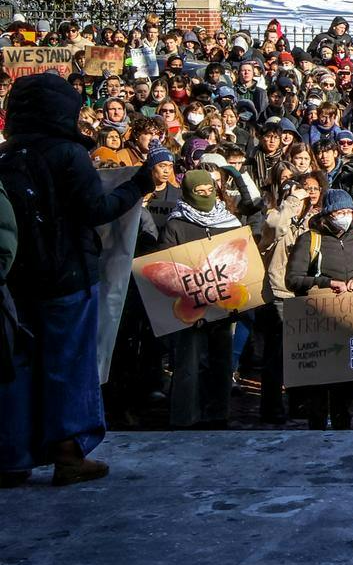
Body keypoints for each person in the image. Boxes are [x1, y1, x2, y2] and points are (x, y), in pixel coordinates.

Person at [0, 73, 152, 485]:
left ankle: (12, 457)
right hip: (66, 276)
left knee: (17, 366)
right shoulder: (69, 154)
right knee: (68, 363)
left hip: (16, 280)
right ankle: (69, 454)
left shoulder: (7, 154)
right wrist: (140, 183)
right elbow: (96, 209)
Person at [158, 168, 243, 430]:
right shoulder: (176, 224)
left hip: (222, 305)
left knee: (221, 362)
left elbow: (240, 261)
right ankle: (186, 417)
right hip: (189, 306)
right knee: (188, 363)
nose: (206, 196)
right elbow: (166, 266)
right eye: (199, 192)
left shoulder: (229, 221)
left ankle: (218, 413)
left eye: (210, 191)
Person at [284, 189, 353, 430]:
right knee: (319, 386)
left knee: (346, 386)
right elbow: (292, 279)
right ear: (328, 214)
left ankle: (343, 429)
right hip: (320, 320)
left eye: (349, 212)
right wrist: (325, 283)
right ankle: (317, 431)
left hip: (350, 319)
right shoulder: (310, 240)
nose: (345, 216)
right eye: (339, 212)